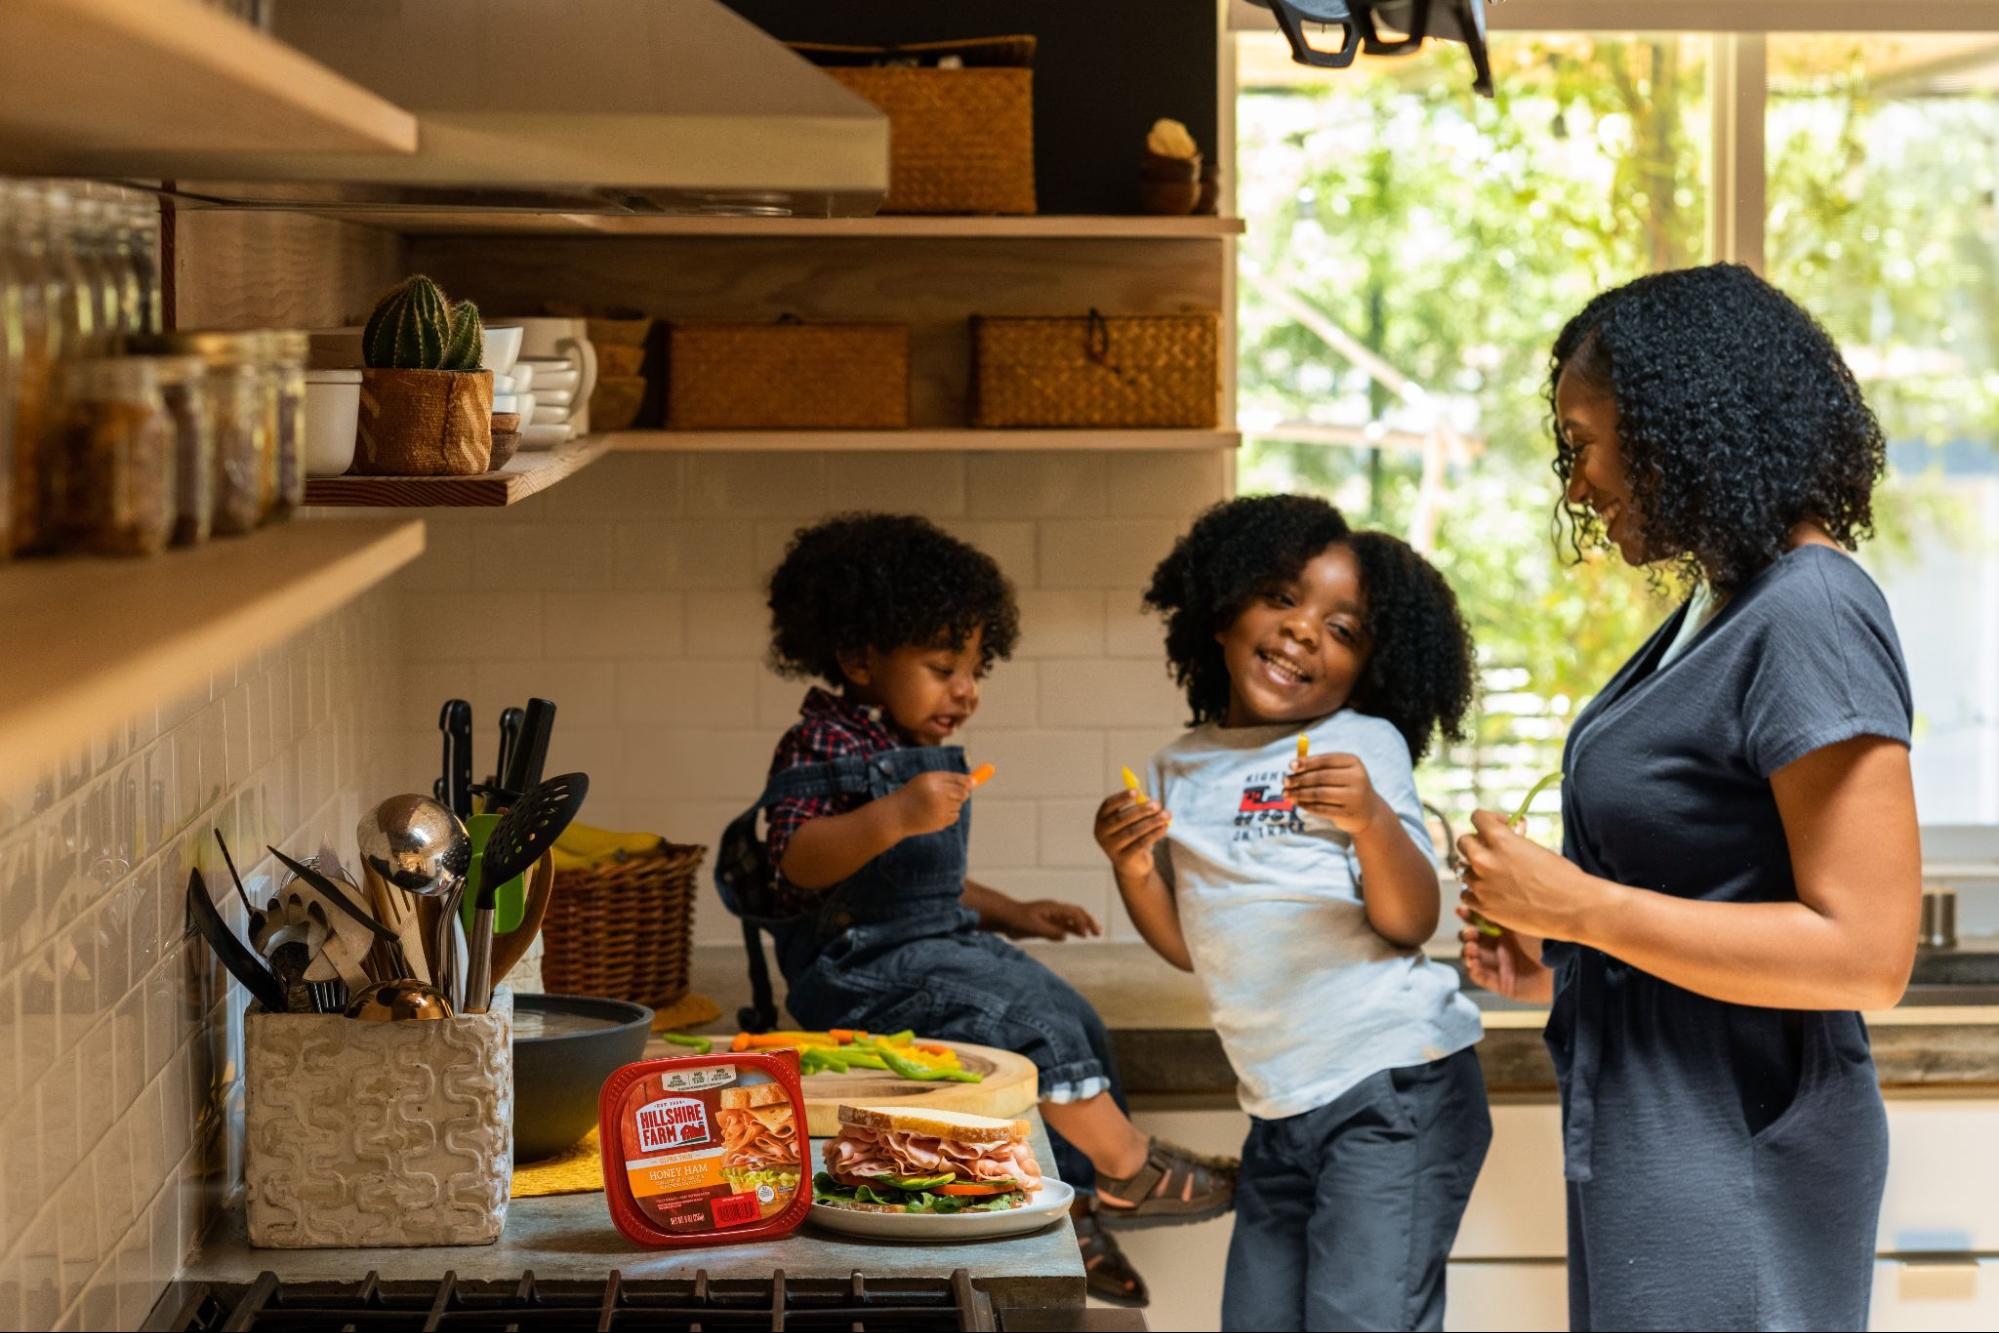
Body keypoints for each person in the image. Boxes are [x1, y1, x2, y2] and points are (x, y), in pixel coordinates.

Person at [1456, 263, 1922, 1332]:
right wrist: (1559, 957)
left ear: (1679, 427)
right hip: (1659, 1134)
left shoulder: (1810, 611)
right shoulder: (1724, 599)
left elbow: (1867, 952)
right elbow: (1713, 886)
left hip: (1735, 1150)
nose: (1576, 483)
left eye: (1585, 442)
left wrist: (1579, 910)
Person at [714, 512, 1234, 1308]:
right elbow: (798, 859)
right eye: (940, 665)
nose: (966, 688)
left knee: (1072, 1012)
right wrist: (894, 814)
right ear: (859, 658)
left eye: (972, 666)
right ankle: (1130, 1167)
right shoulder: (821, 742)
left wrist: (1016, 911)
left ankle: (1083, 1200)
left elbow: (925, 885)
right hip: (856, 968)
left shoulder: (902, 739)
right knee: (1030, 1022)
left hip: (933, 942)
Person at [1097, 494, 1489, 1332]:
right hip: (1278, 1106)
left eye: (1342, 628)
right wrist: (1132, 866)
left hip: (1392, 1087)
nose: (1304, 630)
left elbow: (1411, 920)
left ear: (1371, 665)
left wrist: (1371, 822)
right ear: (1220, 611)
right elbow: (1189, 943)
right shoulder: (1179, 767)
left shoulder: (1362, 745)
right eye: (1280, 597)